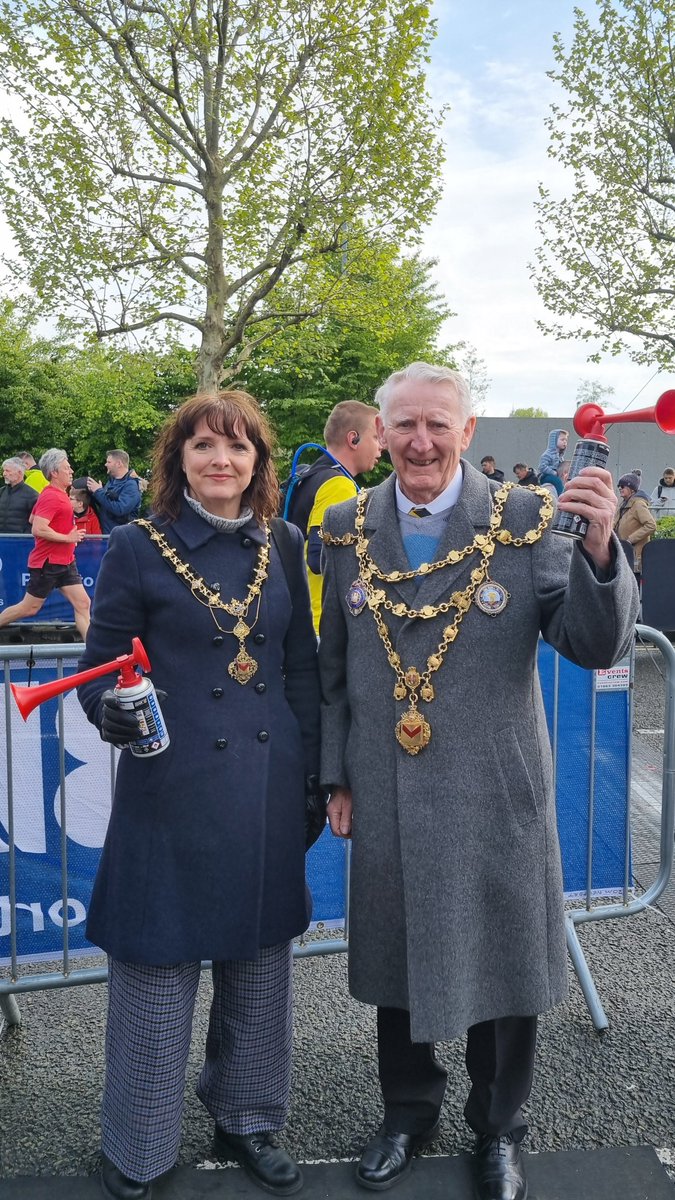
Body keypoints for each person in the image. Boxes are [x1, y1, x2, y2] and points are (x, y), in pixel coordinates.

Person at [318, 362, 638, 1200]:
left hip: (495, 788)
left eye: (438, 424)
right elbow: (331, 669)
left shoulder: (529, 518)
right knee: (398, 953)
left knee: (501, 962)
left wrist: (601, 553)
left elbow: (592, 644)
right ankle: (407, 1110)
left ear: (466, 432)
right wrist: (334, 777)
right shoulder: (347, 526)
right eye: (403, 425)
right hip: (385, 781)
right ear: (378, 434)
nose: (420, 441)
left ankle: (499, 1128)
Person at [77, 391, 321, 1200]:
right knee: (156, 965)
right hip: (170, 787)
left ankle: (246, 1117)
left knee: (258, 967)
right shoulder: (135, 547)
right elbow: (102, 666)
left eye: (238, 447)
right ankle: (137, 1144)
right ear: (177, 460)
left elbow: (302, 670)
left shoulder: (282, 542)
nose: (222, 460)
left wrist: (313, 778)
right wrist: (110, 710)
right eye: (204, 447)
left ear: (258, 461)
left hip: (264, 781)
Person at [302, 401, 381, 633]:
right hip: (320, 622)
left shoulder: (310, 475)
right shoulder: (339, 485)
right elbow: (318, 559)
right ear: (353, 439)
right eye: (376, 437)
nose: (381, 448)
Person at [0, 449, 90, 639]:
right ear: (54, 473)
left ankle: (94, 652)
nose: (72, 470)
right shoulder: (51, 496)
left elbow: (33, 517)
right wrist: (68, 538)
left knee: (83, 604)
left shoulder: (56, 494)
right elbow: (38, 528)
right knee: (28, 608)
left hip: (66, 561)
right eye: (67, 468)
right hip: (48, 563)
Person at [614, 472, 657, 583]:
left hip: (633, 556)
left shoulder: (638, 504)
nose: (620, 488)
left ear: (632, 489)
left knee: (633, 589)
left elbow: (651, 525)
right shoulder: (623, 504)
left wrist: (630, 540)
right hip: (624, 554)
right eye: (619, 486)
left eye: (623, 486)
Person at [86, 449, 142, 532]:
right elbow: (106, 504)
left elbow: (120, 509)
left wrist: (98, 491)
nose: (105, 464)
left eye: (109, 462)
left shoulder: (131, 485)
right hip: (108, 536)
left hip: (122, 538)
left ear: (119, 464)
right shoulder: (111, 481)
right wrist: (94, 493)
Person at [0, 457, 38, 532]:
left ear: (19, 473)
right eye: (4, 471)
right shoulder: (1, 492)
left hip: (21, 540)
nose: (4, 474)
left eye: (7, 471)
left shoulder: (32, 496)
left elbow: (36, 522)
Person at [536, 429, 568, 495]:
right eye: (562, 440)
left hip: (556, 475)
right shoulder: (547, 454)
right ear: (554, 440)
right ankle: (560, 497)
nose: (565, 442)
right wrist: (553, 472)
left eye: (566, 440)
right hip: (546, 476)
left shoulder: (560, 457)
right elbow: (542, 467)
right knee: (558, 482)